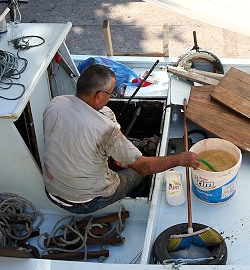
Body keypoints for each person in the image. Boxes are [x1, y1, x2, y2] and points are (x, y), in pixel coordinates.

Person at [42, 64, 201, 214]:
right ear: (99, 96)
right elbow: (144, 167)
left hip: (51, 192)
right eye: (111, 93)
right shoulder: (106, 129)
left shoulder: (56, 103)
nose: (110, 98)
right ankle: (135, 196)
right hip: (85, 202)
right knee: (138, 175)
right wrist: (180, 159)